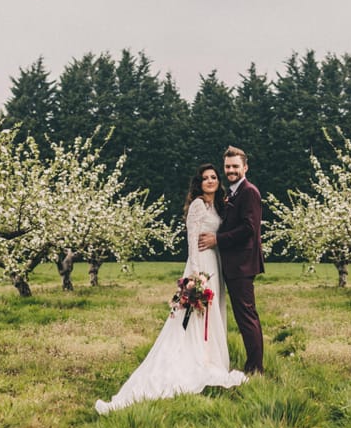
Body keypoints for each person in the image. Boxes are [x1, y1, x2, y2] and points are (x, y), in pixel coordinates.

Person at [94, 164, 246, 414]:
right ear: (199, 183)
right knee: (195, 317)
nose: (210, 181)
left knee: (213, 314)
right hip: (201, 266)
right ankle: (195, 360)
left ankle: (211, 358)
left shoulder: (217, 206)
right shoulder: (198, 205)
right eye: (205, 178)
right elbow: (192, 242)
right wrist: (196, 276)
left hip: (215, 265)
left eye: (214, 177)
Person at [199, 145, 264, 374]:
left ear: (245, 167)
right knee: (242, 315)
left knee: (246, 316)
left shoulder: (249, 192)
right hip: (233, 264)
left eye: (235, 166)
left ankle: (255, 367)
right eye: (227, 166)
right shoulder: (233, 192)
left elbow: (249, 228)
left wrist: (217, 239)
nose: (231, 170)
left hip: (242, 264)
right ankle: (252, 364)